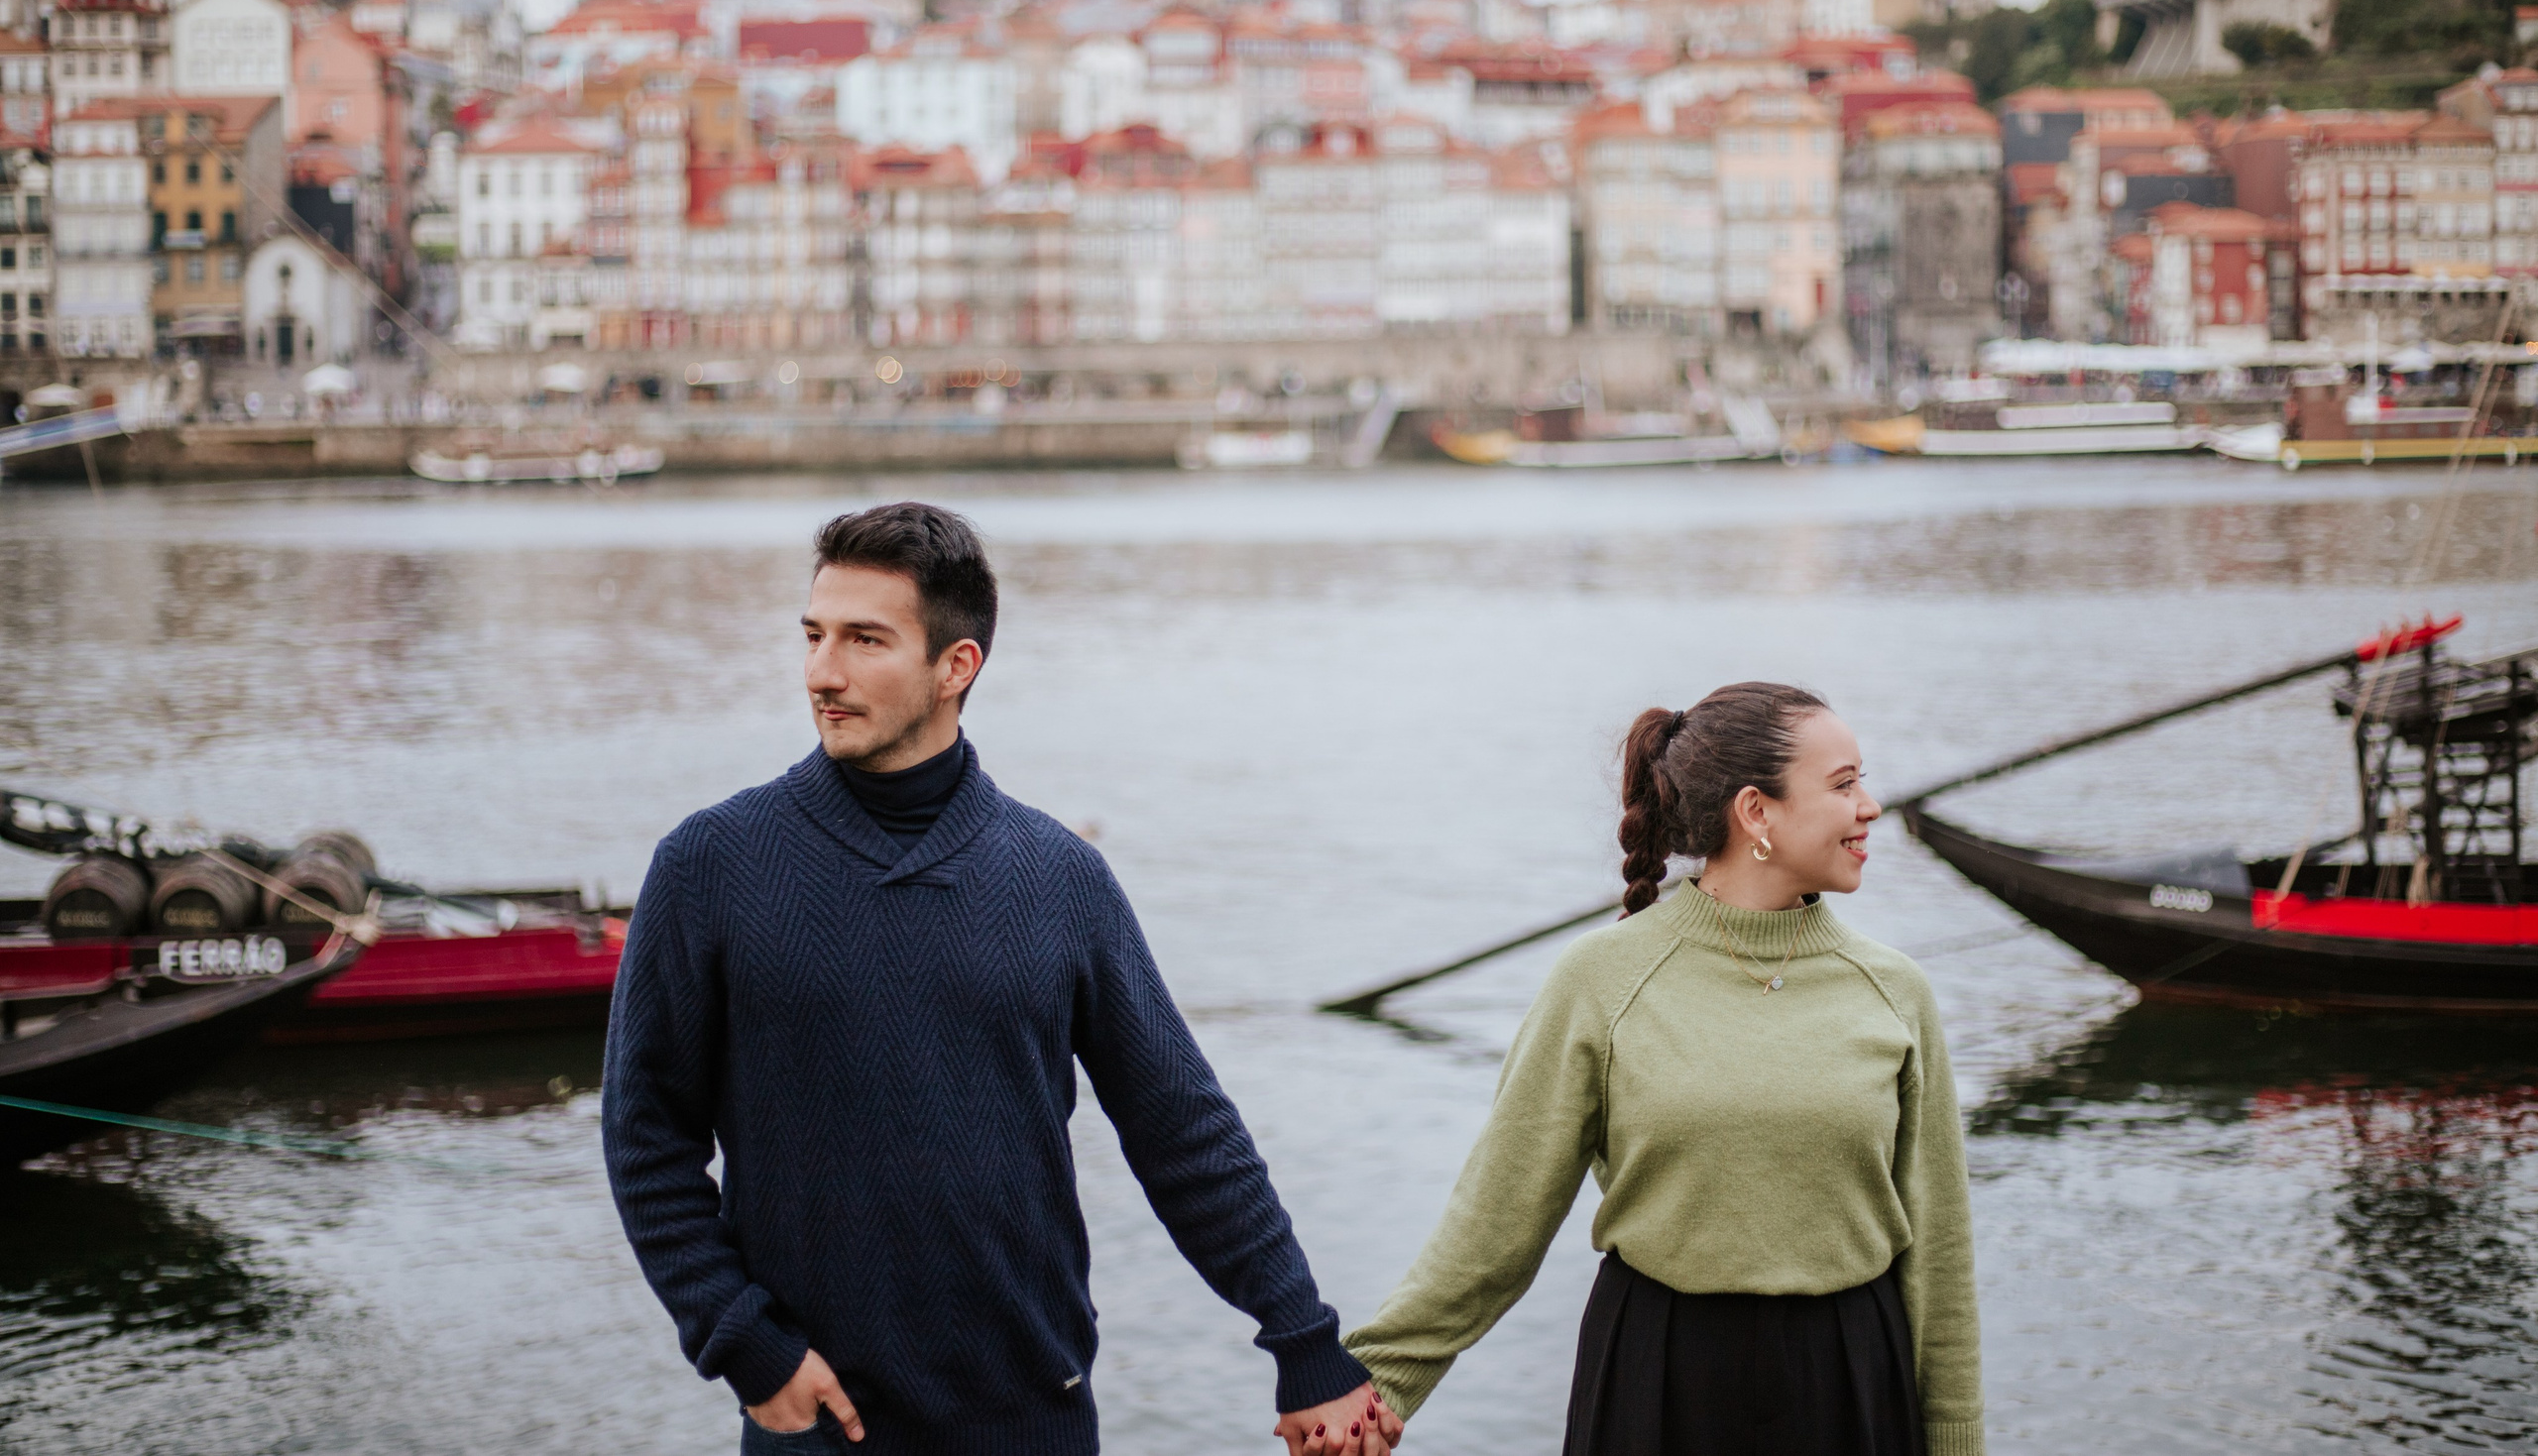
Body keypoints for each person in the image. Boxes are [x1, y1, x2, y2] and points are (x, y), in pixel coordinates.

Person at [603, 503, 1404, 1456]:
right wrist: (743, 1342)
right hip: (818, 1424)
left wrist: (1306, 1344)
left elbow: (1181, 1130)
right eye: (814, 635)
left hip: (1035, 1418)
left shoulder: (1059, 878)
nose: (823, 671)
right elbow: (646, 1135)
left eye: (866, 639)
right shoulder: (712, 864)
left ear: (957, 666)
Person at [1330, 684, 1984, 1456]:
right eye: (1844, 784)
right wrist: (1377, 1385)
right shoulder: (1603, 979)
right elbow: (1499, 1214)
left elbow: (1939, 1251)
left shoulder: (1895, 989)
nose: (1870, 806)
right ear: (1756, 812)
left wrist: (1955, 1439)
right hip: (1659, 1378)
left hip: (1851, 1384)